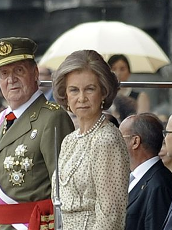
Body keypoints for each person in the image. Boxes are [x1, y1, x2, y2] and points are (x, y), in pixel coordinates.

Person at [0, 37, 75, 230]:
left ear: (35, 73)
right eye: (4, 73)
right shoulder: (3, 119)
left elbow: (65, 189)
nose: (11, 79)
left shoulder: (52, 117)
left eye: (19, 70)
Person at [52, 49, 130, 230]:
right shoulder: (69, 140)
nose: (81, 98)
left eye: (89, 89)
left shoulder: (106, 139)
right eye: (74, 90)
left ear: (103, 92)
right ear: (66, 95)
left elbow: (111, 216)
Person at [119, 112, 172, 230]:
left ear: (135, 142)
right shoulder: (132, 177)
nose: (115, 143)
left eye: (119, 137)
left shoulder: (159, 184)